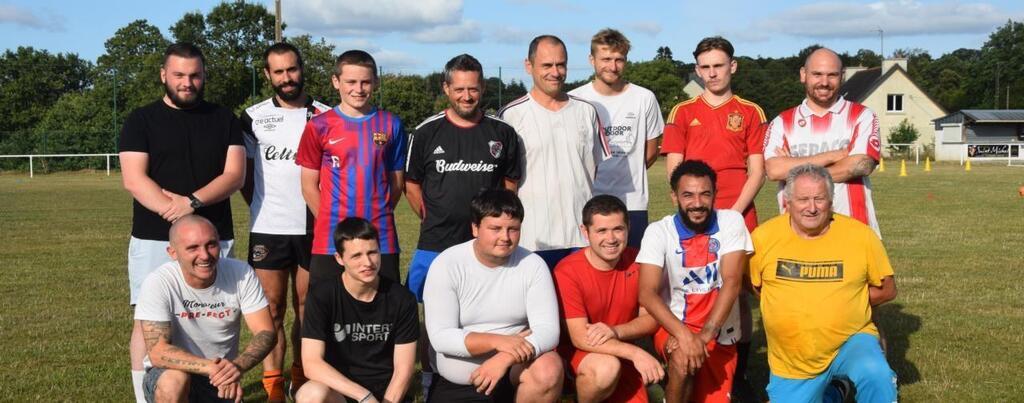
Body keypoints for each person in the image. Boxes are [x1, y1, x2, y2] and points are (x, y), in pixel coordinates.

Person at [119, 42, 245, 403]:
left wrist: (191, 203)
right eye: (179, 75)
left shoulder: (224, 119)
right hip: (153, 238)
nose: (187, 82)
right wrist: (178, 217)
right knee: (148, 324)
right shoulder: (140, 119)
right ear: (164, 75)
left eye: (194, 75)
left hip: (214, 238)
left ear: (204, 76)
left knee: (218, 319)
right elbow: (134, 179)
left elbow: (234, 174)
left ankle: (217, 389)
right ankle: (146, 397)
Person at [404, 53, 523, 394]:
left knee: (488, 306)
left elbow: (509, 185)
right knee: (432, 312)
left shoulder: (502, 132)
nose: (467, 97)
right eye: (459, 89)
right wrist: (431, 217)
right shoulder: (427, 132)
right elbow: (411, 184)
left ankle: (494, 374)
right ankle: (430, 377)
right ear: (446, 88)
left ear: (483, 87)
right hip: (436, 242)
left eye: (473, 89)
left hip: (487, 245)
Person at [659, 36, 767, 401]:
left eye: (718, 65)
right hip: (696, 217)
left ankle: (740, 373)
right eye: (704, 67)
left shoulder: (751, 111)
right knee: (696, 285)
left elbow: (757, 171)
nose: (711, 73)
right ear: (697, 69)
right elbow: (674, 171)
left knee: (738, 295)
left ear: (732, 66)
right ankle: (688, 356)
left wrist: (733, 217)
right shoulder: (682, 112)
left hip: (738, 214)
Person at [749, 164, 897, 402]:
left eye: (820, 199)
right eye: (803, 199)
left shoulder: (861, 236)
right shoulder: (763, 237)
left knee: (876, 374)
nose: (812, 207)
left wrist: (844, 300)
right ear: (787, 201)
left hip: (851, 339)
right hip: (793, 359)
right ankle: (835, 392)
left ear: (831, 200)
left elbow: (887, 289)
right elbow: (753, 285)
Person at [240, 42, 331, 401]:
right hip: (269, 227)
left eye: (291, 69)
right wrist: (266, 208)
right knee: (272, 310)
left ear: (301, 69)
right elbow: (246, 178)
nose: (286, 77)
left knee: (308, 307)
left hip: (315, 227)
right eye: (278, 72)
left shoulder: (326, 115)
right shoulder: (252, 117)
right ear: (267, 75)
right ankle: (274, 387)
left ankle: (302, 376)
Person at [423, 189, 562, 402]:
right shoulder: (447, 264)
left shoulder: (533, 265)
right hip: (461, 382)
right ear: (475, 228)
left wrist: (504, 358)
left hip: (516, 372)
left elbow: (549, 330)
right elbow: (442, 337)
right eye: (495, 229)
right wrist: (499, 341)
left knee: (549, 368)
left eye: (513, 229)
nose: (505, 238)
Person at [637, 160, 752, 402]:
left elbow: (732, 282)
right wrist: (685, 336)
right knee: (682, 358)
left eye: (705, 194)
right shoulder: (658, 231)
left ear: (715, 195)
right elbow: (646, 293)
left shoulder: (731, 221)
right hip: (674, 326)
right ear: (674, 196)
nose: (697, 203)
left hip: (719, 331)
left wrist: (704, 336)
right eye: (688, 195)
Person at [135, 215, 275, 403]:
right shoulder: (158, 282)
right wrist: (212, 367)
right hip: (173, 373)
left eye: (211, 244)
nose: (205, 255)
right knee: (173, 381)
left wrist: (236, 368)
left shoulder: (241, 273)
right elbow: (158, 352)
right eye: (193, 248)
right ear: (172, 252)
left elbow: (265, 332)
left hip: (219, 379)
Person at [498, 34, 610, 269]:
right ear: (528, 66)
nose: (555, 72)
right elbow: (503, 181)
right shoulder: (510, 116)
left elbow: (594, 168)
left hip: (581, 237)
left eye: (561, 64)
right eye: (547, 65)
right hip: (533, 238)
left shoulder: (587, 111)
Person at [296, 50, 407, 285]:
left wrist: (376, 213)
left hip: (381, 237)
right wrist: (333, 224)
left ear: (376, 82)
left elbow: (396, 184)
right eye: (351, 82)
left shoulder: (391, 123)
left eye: (365, 81)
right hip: (331, 239)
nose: (359, 89)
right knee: (329, 312)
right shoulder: (318, 125)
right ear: (336, 82)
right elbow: (308, 186)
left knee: (382, 312)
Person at [552, 195, 663, 403]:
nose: (611, 239)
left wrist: (615, 331)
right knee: (606, 368)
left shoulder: (639, 262)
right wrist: (635, 353)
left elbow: (651, 318)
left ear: (628, 227)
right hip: (581, 356)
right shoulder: (567, 271)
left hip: (621, 355)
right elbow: (579, 337)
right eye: (601, 231)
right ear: (585, 232)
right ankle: (574, 394)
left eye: (618, 229)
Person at [295, 217, 419, 403]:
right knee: (311, 394)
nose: (367, 262)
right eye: (356, 256)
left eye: (372, 252)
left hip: (388, 395)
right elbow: (312, 364)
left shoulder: (402, 299)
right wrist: (364, 397)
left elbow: (404, 369)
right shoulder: (322, 296)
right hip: (341, 391)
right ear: (339, 258)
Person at [763, 47, 882, 236]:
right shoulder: (782, 122)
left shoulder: (862, 116)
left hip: (854, 231)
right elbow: (774, 170)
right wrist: (832, 156)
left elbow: (862, 165)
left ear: (842, 76)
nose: (824, 82)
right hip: (796, 234)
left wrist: (795, 172)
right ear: (803, 74)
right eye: (817, 74)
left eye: (832, 75)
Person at [568, 29, 663, 248]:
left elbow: (650, 153)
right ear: (591, 59)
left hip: (633, 204)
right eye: (606, 59)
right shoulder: (576, 99)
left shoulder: (644, 98)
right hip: (589, 202)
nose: (612, 66)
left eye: (619, 59)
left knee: (631, 269)